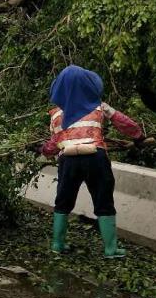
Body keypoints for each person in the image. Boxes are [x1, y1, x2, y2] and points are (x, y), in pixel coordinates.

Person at [41, 65, 144, 258]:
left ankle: (57, 245)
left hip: (68, 160)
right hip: (95, 157)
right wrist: (138, 137)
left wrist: (43, 150)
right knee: (103, 200)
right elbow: (124, 122)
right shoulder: (100, 107)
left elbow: (54, 145)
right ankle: (111, 249)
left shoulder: (55, 115)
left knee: (63, 201)